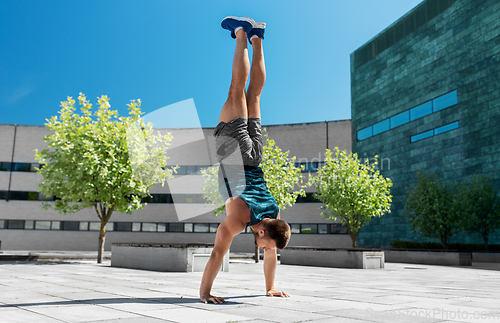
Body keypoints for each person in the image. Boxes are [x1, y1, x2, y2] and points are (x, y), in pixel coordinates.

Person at [199, 16, 292, 304]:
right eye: (266, 244)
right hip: (234, 152)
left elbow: (271, 255)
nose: (265, 248)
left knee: (255, 95)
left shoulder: (275, 214)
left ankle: (258, 37)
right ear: (263, 231)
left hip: (255, 155)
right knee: (236, 90)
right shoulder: (240, 219)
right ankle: (241, 32)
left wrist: (269, 288)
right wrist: (204, 294)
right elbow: (217, 253)